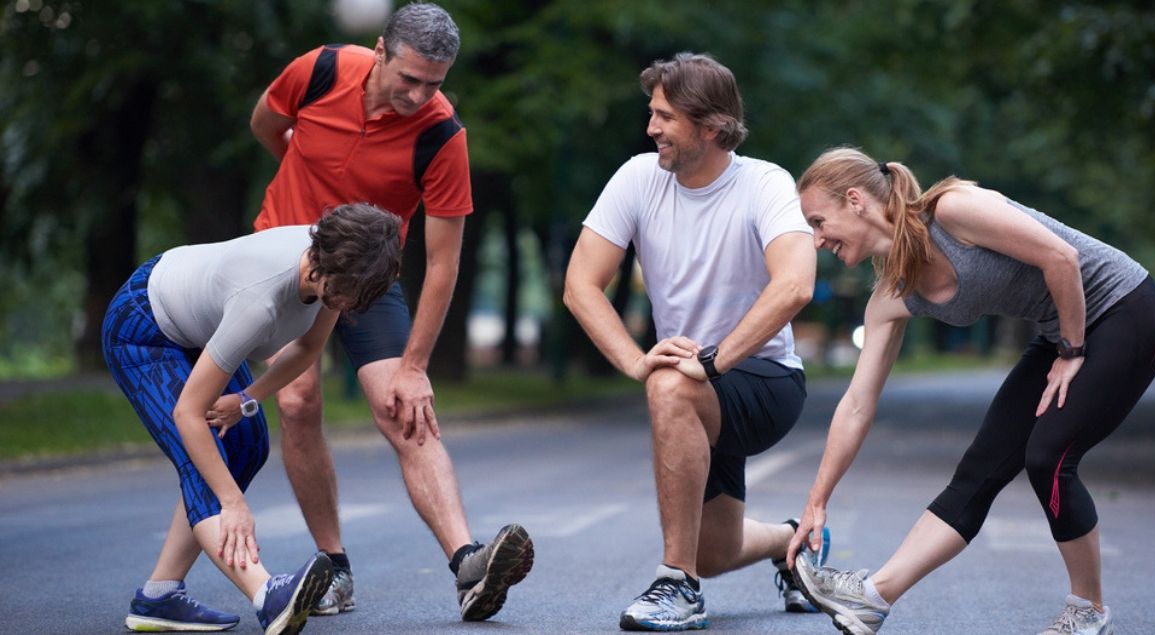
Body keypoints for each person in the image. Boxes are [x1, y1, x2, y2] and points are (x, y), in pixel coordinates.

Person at [786, 147, 1155, 635]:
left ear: (856, 201)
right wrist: (817, 501)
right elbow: (857, 403)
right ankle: (873, 598)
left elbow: (1062, 256)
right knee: (979, 469)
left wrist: (1072, 351)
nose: (818, 240)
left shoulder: (953, 210)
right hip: (1063, 333)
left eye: (820, 222)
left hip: (1125, 308)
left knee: (1048, 455)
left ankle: (1088, 610)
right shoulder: (890, 297)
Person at [248, 1, 532, 621]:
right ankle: (334, 570)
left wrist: (415, 365)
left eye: (435, 81)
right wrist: (300, 171)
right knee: (296, 403)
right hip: (286, 260)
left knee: (405, 407)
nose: (420, 93)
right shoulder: (319, 70)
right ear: (379, 50)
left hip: (372, 276)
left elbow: (445, 263)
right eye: (409, 77)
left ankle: (468, 564)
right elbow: (266, 123)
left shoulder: (441, 134)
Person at [564, 52, 822, 631]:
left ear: (711, 127)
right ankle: (795, 542)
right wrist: (634, 361)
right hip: (696, 386)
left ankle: (677, 584)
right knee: (717, 550)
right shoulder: (637, 178)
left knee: (672, 382)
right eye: (651, 113)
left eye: (665, 117)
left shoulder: (764, 183)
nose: (651, 127)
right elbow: (581, 285)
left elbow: (796, 284)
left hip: (765, 379)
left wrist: (712, 361)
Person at [102, 204, 402, 634]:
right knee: (206, 455)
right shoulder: (259, 300)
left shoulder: (341, 265)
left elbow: (307, 349)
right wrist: (233, 502)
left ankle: (158, 596)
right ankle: (267, 595)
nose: (353, 305)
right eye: (352, 292)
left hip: (201, 326)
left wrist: (246, 399)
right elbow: (188, 414)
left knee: (247, 444)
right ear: (327, 265)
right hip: (143, 329)